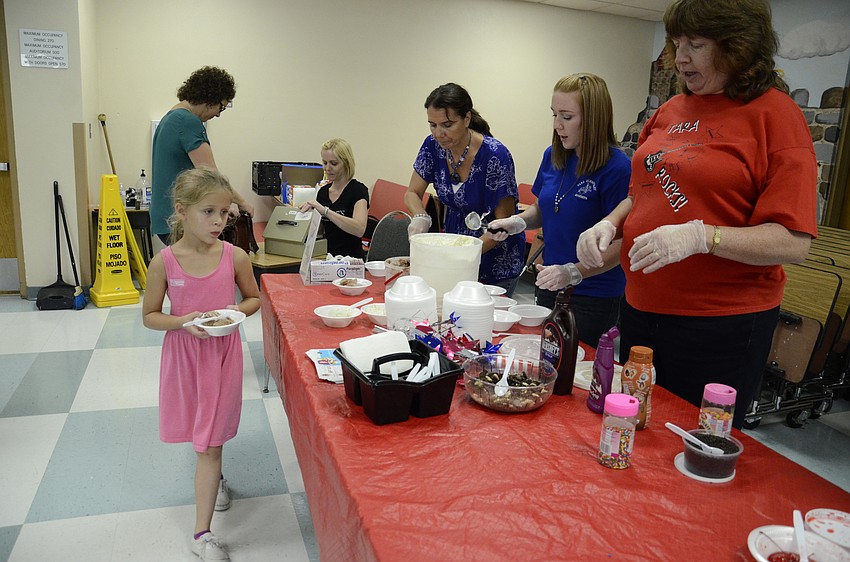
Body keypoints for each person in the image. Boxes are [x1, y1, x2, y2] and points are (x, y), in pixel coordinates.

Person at [576, 0, 818, 429]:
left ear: (737, 48)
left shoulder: (776, 116)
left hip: (719, 325)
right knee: (633, 428)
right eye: (676, 43)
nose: (680, 57)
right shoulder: (671, 110)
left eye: (697, 44)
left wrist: (703, 237)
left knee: (690, 448)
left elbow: (793, 241)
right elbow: (643, 192)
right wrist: (609, 223)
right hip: (639, 308)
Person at [142, 167, 260, 561]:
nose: (218, 222)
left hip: (222, 357)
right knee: (203, 436)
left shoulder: (235, 256)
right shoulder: (164, 263)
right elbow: (150, 316)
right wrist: (183, 322)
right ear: (182, 210)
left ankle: (202, 534)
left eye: (225, 214)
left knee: (210, 443)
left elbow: (252, 299)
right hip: (184, 359)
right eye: (209, 212)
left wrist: (234, 311)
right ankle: (218, 479)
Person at [488, 74, 630, 345]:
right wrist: (516, 222)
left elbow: (622, 244)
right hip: (551, 283)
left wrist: (574, 272)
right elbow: (542, 208)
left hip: (593, 294)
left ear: (593, 119)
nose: (557, 126)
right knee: (545, 360)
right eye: (554, 115)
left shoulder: (617, 168)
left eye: (566, 117)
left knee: (573, 369)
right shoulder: (553, 156)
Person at [404, 82, 525, 295]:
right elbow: (412, 193)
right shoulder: (432, 147)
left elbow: (502, 226)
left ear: (466, 119)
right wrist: (420, 216)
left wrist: (465, 255)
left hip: (494, 262)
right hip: (453, 256)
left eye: (447, 125)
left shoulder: (495, 156)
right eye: (432, 125)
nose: (438, 133)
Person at [151, 66, 254, 245]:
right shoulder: (188, 121)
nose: (218, 114)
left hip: (166, 216)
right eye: (220, 107)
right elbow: (211, 175)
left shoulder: (170, 118)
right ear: (210, 99)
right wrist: (241, 202)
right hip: (179, 219)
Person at [299, 138, 369, 259]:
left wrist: (326, 211)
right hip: (327, 258)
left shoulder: (358, 190)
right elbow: (319, 231)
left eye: (334, 163)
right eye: (325, 163)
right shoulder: (323, 192)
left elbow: (359, 229)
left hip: (350, 260)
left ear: (346, 163)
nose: (327, 168)